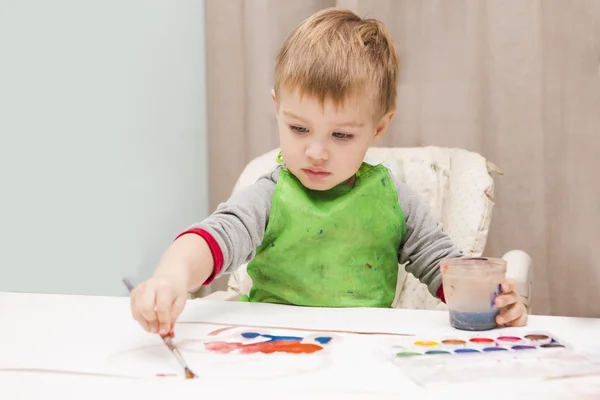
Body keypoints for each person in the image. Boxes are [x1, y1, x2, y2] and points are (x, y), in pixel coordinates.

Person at [129, 8, 528, 337]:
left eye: (341, 134)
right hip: (269, 346)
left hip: (364, 350)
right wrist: (171, 277)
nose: (315, 152)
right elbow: (212, 239)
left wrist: (493, 304)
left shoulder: (398, 203)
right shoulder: (270, 195)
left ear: (378, 127)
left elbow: (445, 269)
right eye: (299, 128)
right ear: (277, 109)